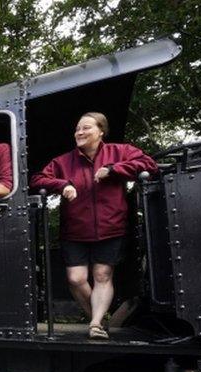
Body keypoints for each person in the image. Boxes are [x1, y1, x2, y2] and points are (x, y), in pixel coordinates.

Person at [30, 112, 157, 339]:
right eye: (78, 128)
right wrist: (62, 184)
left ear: (101, 131)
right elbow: (37, 179)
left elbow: (148, 164)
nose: (80, 132)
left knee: (102, 275)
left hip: (110, 227)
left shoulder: (119, 152)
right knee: (76, 279)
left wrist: (114, 169)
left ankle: (96, 323)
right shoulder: (63, 161)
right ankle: (100, 319)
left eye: (86, 128)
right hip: (75, 230)